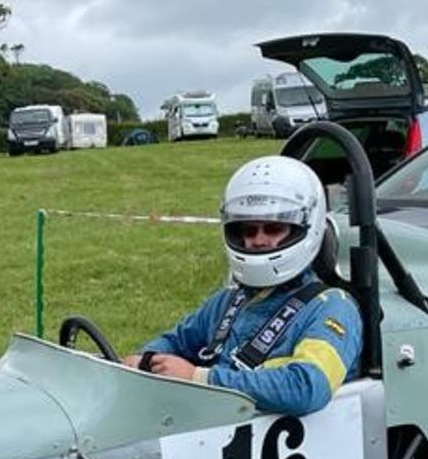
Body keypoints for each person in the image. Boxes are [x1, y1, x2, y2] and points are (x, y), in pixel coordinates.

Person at [123, 155, 362, 416]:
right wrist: (144, 361)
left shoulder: (333, 308)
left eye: (272, 229)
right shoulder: (230, 301)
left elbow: (307, 387)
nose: (258, 241)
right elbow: (176, 341)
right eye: (248, 231)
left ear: (303, 228)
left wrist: (200, 378)